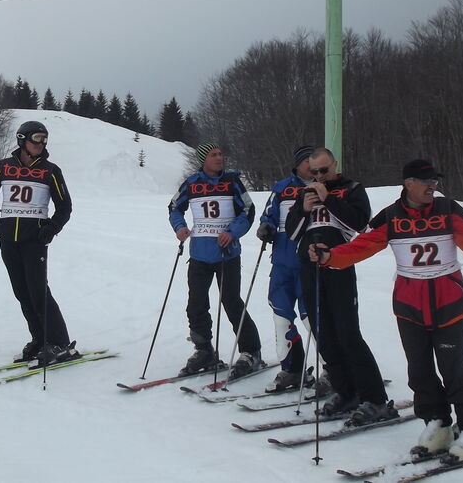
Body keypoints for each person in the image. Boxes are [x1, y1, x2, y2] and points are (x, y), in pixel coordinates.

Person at [309, 159, 463, 462]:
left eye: (435, 182)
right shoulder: (391, 216)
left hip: (448, 304)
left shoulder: (448, 209)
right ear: (408, 183)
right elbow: (362, 245)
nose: (432, 187)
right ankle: (437, 424)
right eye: (426, 182)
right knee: (419, 370)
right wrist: (330, 257)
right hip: (409, 307)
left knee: (454, 370)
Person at [285, 147, 394, 425]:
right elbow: (293, 233)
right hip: (309, 267)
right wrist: (303, 208)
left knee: (348, 334)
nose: (320, 176)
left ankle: (375, 398)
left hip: (339, 265)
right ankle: (346, 392)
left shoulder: (351, 189)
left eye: (324, 170)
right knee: (324, 335)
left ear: (334, 165)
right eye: (314, 172)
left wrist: (329, 199)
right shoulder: (305, 193)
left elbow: (360, 224)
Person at [0, 121, 77, 367]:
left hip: (34, 241)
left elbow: (65, 206)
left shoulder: (50, 171)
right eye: (37, 138)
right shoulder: (4, 167)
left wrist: (51, 228)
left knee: (38, 291)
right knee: (21, 292)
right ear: (22, 140)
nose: (41, 143)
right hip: (8, 240)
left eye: (44, 139)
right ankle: (40, 338)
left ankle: (59, 343)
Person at [168, 143, 263, 378]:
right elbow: (174, 207)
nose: (219, 158)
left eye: (220, 154)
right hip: (199, 254)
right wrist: (179, 227)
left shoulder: (232, 182)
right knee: (196, 304)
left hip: (227, 254)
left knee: (231, 302)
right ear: (204, 159)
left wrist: (232, 232)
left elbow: (248, 210)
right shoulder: (192, 183)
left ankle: (251, 351)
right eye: (214, 155)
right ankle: (204, 350)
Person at [256, 145, 317, 392]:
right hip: (282, 263)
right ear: (298, 164)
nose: (311, 166)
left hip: (310, 264)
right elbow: (268, 214)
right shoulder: (282, 187)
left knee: (312, 319)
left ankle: (333, 371)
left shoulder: (323, 187)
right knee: (281, 318)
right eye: (307, 161)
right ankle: (292, 369)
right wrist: (265, 227)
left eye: (314, 161)